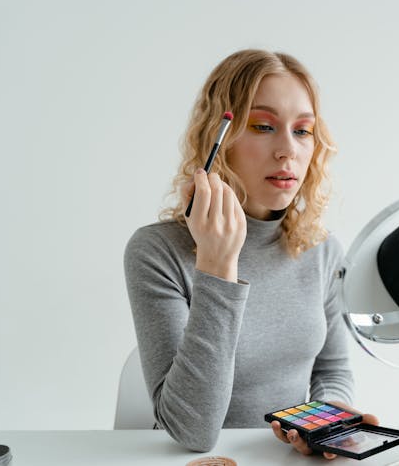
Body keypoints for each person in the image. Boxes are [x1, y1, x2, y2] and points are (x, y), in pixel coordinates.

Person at [123, 49, 377, 457]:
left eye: (303, 131)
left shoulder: (323, 250)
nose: (287, 150)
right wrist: (217, 265)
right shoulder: (156, 252)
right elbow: (193, 431)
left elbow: (331, 368)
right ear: (217, 142)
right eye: (263, 126)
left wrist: (330, 415)